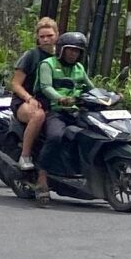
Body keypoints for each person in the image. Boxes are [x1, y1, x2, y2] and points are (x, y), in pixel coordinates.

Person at [30, 28, 93, 201]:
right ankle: (42, 178)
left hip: (76, 112)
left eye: (77, 51)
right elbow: (46, 87)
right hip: (55, 111)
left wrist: (110, 96)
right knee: (55, 137)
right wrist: (60, 98)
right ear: (61, 50)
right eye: (70, 50)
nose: (73, 54)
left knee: (94, 133)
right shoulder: (48, 64)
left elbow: (91, 88)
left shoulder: (79, 68)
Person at [9, 14, 60, 174]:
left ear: (57, 35)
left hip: (52, 102)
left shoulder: (62, 56)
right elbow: (15, 84)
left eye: (49, 36)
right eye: (42, 37)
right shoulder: (31, 55)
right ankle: (25, 156)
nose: (46, 40)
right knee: (38, 115)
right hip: (25, 101)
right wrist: (29, 98)